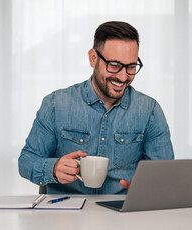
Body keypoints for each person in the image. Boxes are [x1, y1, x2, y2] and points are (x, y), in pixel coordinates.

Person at [18, 21, 174, 194]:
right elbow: (26, 161)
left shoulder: (149, 111)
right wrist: (53, 168)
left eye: (131, 67)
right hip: (65, 216)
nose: (123, 77)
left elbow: (164, 177)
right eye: (114, 65)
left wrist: (148, 189)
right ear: (93, 58)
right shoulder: (56, 104)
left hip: (124, 216)